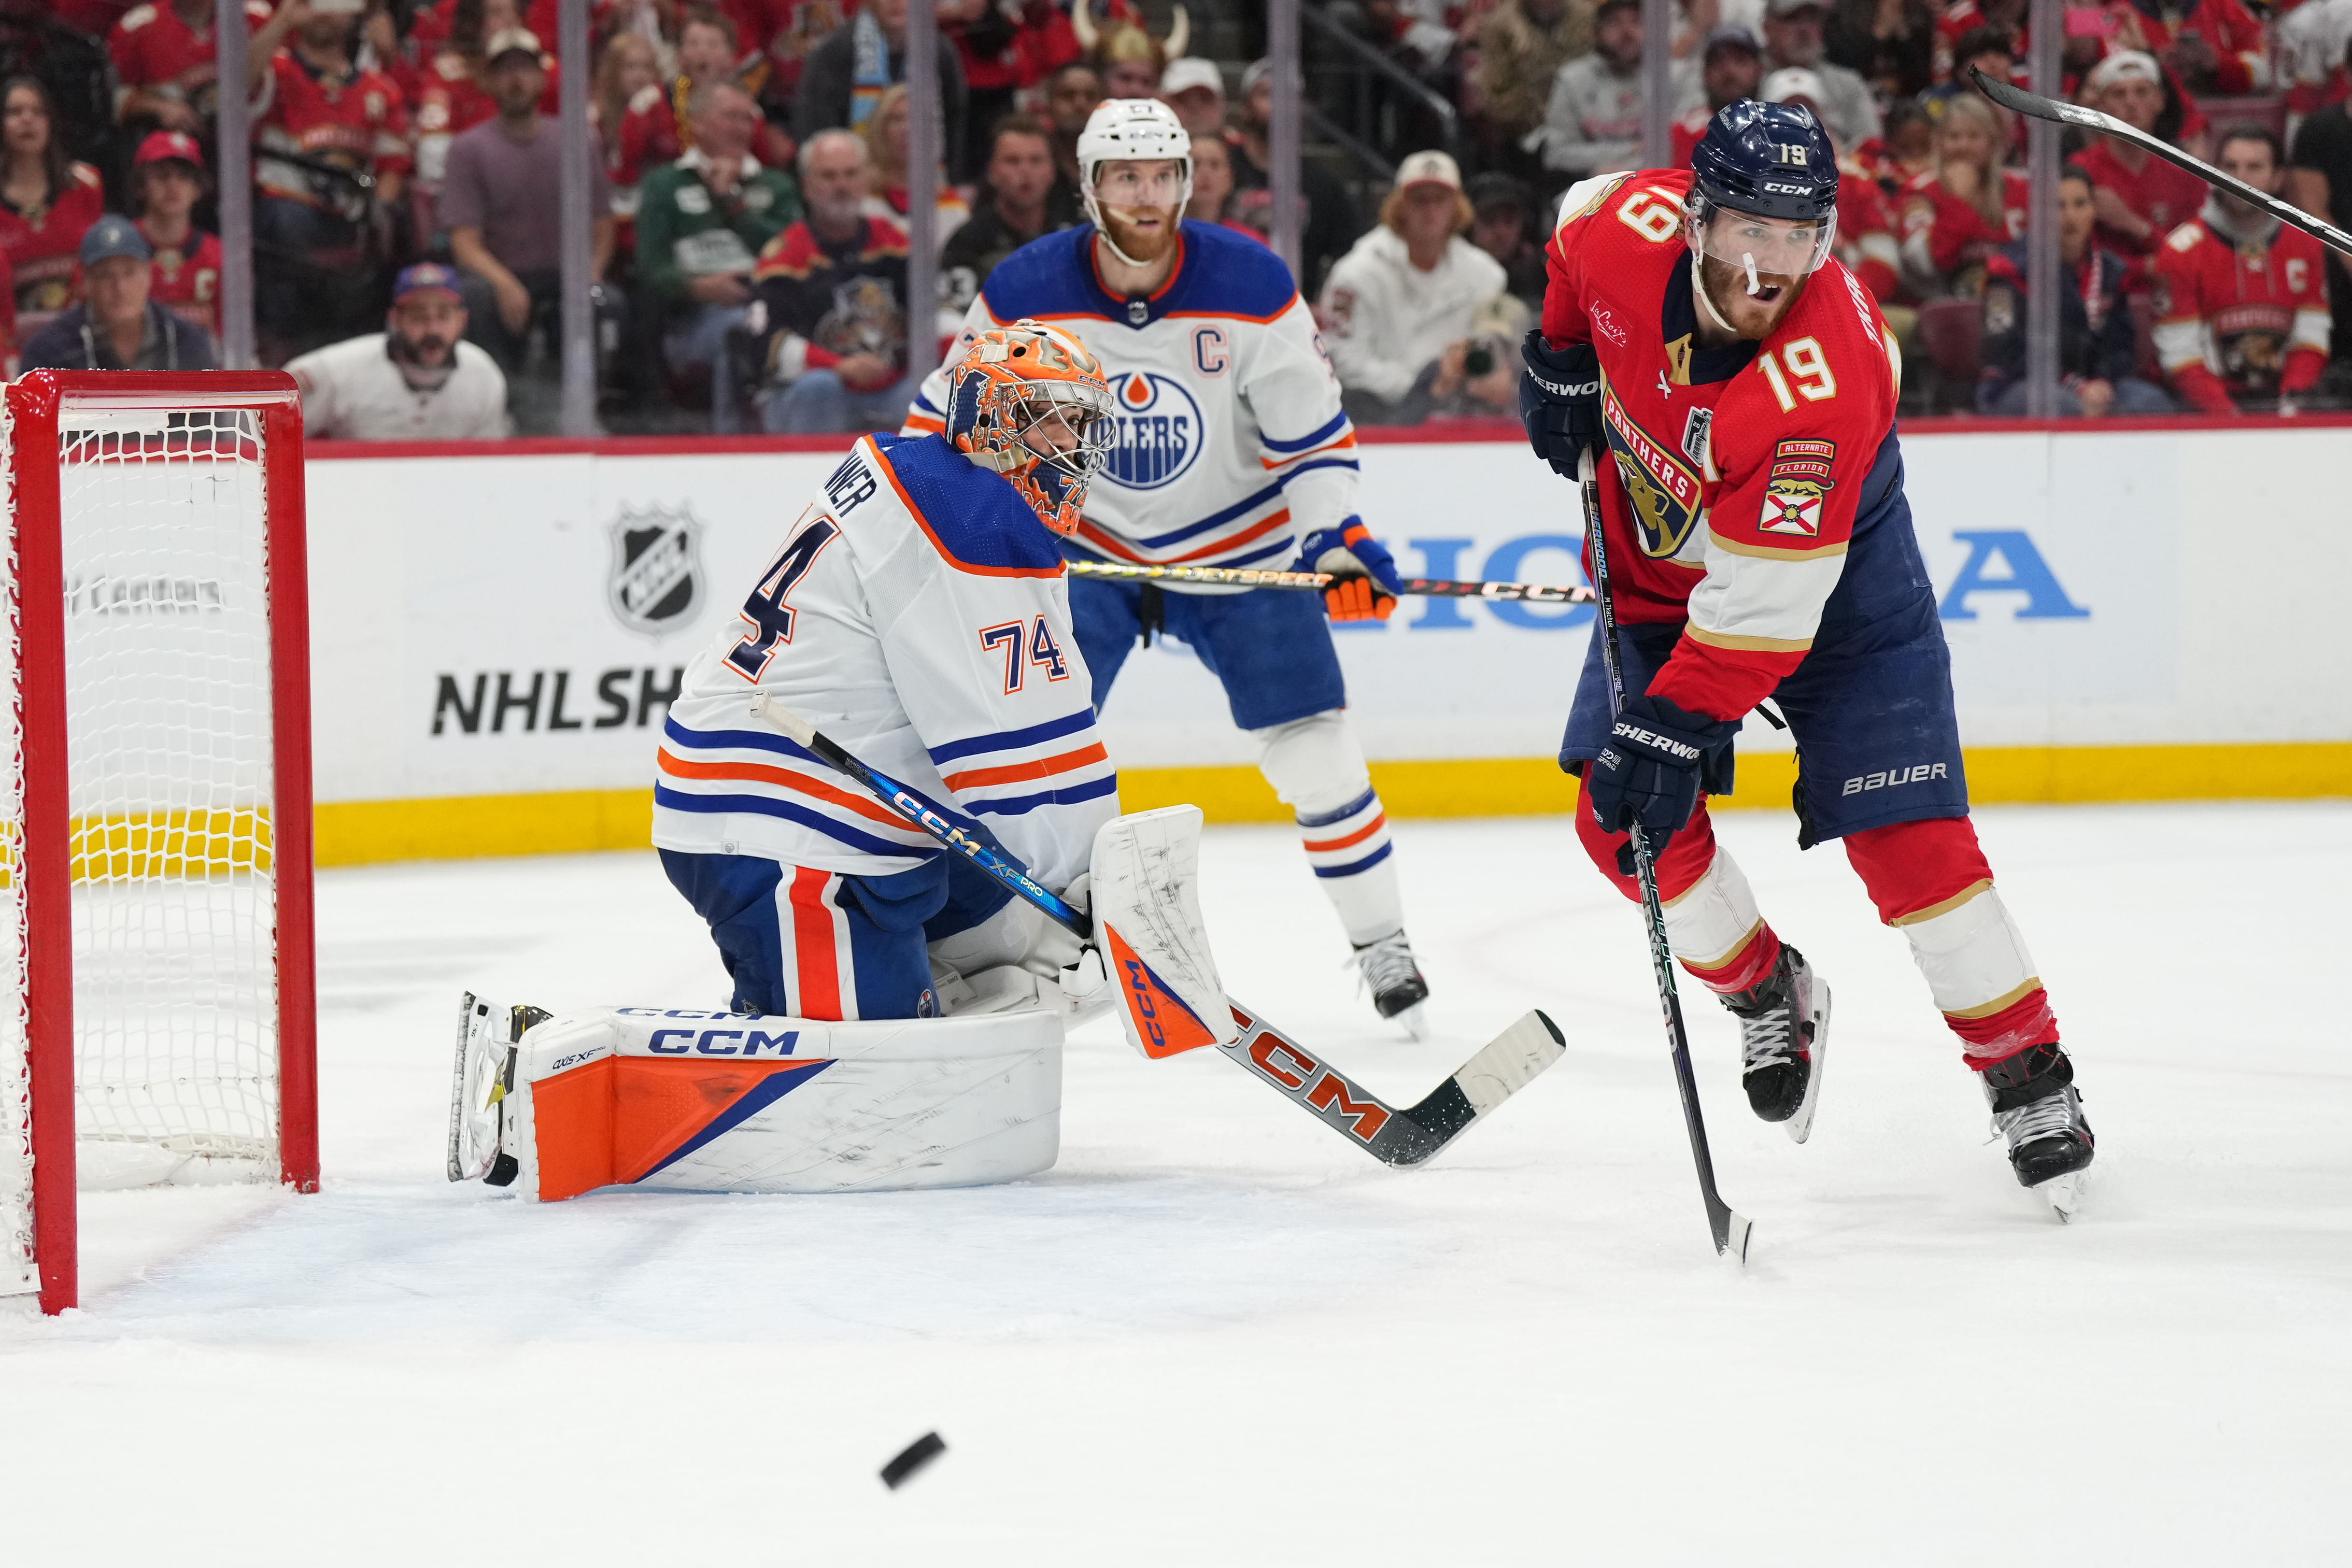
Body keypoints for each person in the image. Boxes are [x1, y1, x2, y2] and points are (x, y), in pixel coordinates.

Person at [1517, 101, 2095, 1210]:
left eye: (1799, 236)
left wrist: (1672, 722)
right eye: (1748, 230)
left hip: (1841, 604)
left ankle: (2025, 1068)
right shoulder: (1620, 228)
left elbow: (1761, 619)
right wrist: (1558, 350)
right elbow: (1573, 227)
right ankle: (1764, 988)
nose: (1770, 262)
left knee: (1909, 842)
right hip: (1664, 574)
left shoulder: (1821, 381)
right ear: (1695, 220)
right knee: (1622, 819)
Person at [904, 99, 1439, 1034]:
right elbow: (939, 430)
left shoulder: (1251, 282)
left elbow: (1312, 444)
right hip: (1087, 556)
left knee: (1318, 758)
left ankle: (1382, 944)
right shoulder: (1026, 284)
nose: (1144, 196)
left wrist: (1332, 540)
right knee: (1023, 765)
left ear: (1186, 181)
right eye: (1124, 177)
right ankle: (985, 951)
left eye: (1160, 176)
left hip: (1241, 553)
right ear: (1090, 184)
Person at [658, 318, 1119, 1021]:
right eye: (1044, 420)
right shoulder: (971, 519)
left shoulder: (924, 473)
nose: (1067, 446)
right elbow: (1021, 747)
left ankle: (895, 987)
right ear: (987, 420)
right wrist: (1105, 892)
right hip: (783, 824)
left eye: (1077, 424)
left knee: (1041, 942)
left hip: (838, 797)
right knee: (859, 1087)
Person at [442, 26, 618, 417]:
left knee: (609, 304)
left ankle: (611, 413)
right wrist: (505, 284)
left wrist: (590, 275)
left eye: (525, 69)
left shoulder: (577, 140)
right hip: (502, 274)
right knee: (477, 299)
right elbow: (465, 241)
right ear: (488, 82)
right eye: (505, 71)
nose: (516, 80)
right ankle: (497, 409)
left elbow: (603, 225)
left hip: (567, 275)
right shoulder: (468, 149)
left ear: (542, 78)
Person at [245, 0, 415, 360]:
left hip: (349, 218)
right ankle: (283, 345)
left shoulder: (378, 90)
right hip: (286, 215)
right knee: (287, 219)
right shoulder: (278, 70)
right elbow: (236, 87)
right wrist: (284, 18)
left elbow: (393, 166)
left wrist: (378, 207)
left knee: (392, 227)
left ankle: (360, 346)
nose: (323, 11)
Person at [636, 79, 803, 431]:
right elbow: (650, 267)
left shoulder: (777, 186)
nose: (742, 128)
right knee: (737, 333)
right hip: (693, 319)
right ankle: (733, 441)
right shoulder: (666, 185)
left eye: (748, 119)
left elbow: (793, 253)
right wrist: (695, 287)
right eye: (730, 117)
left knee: (765, 331)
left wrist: (733, 203)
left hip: (771, 307)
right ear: (696, 122)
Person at [1320, 150, 1515, 425]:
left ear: (1457, 207)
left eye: (1440, 200)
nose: (1430, 210)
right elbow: (1344, 360)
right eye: (1419, 200)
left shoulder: (1485, 274)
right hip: (1376, 421)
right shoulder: (1356, 273)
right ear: (1400, 206)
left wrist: (1492, 375)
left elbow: (1491, 349)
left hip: (1459, 419)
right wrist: (1423, 386)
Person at [2152, 127, 2333, 414]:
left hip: (2286, 402)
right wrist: (2231, 421)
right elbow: (2181, 356)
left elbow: (2311, 338)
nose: (2241, 178)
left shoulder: (2305, 244)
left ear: (2278, 178)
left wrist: (2291, 406)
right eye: (2231, 167)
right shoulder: (2181, 252)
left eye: (2255, 167)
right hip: (2208, 408)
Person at [747, 128, 914, 433]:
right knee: (821, 388)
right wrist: (837, 365)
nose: (842, 186)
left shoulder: (896, 243)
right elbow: (765, 342)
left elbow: (935, 313)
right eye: (829, 176)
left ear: (865, 181)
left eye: (851, 174)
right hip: (809, 389)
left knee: (932, 393)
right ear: (807, 186)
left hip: (887, 386)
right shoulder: (785, 257)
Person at [1977, 163, 2174, 415]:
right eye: (2058, 206)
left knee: (2152, 403)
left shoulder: (2111, 271)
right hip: (2014, 386)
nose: (2070, 216)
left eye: (2080, 204)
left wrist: (2103, 380)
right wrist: (2075, 386)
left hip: (2094, 385)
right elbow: (2004, 350)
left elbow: (2121, 346)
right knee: (2065, 407)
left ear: (2094, 210)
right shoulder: (2005, 270)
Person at [285, 261, 514, 439]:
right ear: (395, 319)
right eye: (418, 317)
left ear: (462, 320)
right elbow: (270, 441)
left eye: (443, 316)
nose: (432, 329)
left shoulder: (484, 375)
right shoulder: (332, 372)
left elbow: (488, 465)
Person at [1225, 58, 1363, 295]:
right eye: (1267, 94)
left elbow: (1348, 258)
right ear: (1246, 109)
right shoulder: (1222, 171)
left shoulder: (1325, 186)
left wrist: (1324, 303)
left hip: (1296, 311)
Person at [1762, 68, 1901, 302]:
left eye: (1807, 111)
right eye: (1785, 111)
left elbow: (1885, 261)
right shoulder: (1744, 177)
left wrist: (1839, 299)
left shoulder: (1855, 180)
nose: (1797, 122)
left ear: (1823, 119)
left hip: (1844, 301)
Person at [20, 215, 220, 372]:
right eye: (106, 276)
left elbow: (210, 418)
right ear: (86, 282)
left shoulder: (186, 341)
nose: (120, 288)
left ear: (149, 274)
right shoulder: (49, 352)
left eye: (130, 272)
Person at [791, 0, 969, 176]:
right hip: (852, 179)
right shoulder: (834, 51)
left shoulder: (939, 50)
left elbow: (954, 122)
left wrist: (953, 178)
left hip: (926, 179)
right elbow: (816, 126)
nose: (896, 3)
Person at [0, 76, 108, 346]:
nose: (28, 120)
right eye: (15, 112)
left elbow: (100, 266)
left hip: (80, 341)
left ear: (51, 122)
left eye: (39, 112)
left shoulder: (87, 184)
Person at [2073, 50, 2207, 260]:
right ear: (2101, 106)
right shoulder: (2081, 170)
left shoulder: (2184, 172)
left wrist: (2134, 225)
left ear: (2160, 101)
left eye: (2142, 92)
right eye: (2118, 94)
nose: (2131, 102)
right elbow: (2073, 256)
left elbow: (2194, 257)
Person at [943, 114, 1081, 312]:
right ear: (992, 172)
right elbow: (957, 320)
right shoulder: (967, 244)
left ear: (1052, 171)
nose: (1025, 171)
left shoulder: (1075, 239)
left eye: (1036, 161)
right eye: (1013, 161)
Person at [1895, 92, 2024, 295]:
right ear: (1938, 142)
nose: (1964, 146)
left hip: (2011, 296)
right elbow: (1923, 263)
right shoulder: (1920, 190)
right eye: (1954, 137)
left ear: (1992, 142)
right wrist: (1958, 200)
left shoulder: (2019, 188)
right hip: (1939, 301)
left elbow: (2033, 257)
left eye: (1974, 136)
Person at [109, 0, 276, 138]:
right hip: (171, 152)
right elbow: (117, 100)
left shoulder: (255, 17)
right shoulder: (138, 27)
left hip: (247, 144)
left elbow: (260, 82)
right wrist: (159, 107)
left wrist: (285, 21)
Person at [1540, 0, 1666, 179]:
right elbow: (1556, 154)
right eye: (1615, 23)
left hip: (1662, 183)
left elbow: (1682, 146)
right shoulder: (1573, 78)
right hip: (1590, 185)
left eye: (1636, 22)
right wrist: (1633, 150)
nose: (1627, 32)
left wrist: (1630, 169)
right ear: (1597, 32)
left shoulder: (1674, 76)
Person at [1467, 0, 1596, 176]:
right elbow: (1495, 89)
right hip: (1525, 129)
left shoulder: (1588, 17)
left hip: (1589, 120)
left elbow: (1603, 72)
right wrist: (1541, 115)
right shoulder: (1501, 25)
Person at [2288, 36, 2352, 363]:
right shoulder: (2319, 130)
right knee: (2321, 258)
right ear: (2348, 74)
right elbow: (2311, 208)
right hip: (2339, 248)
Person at [126, 129, 223, 337]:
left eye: (184, 177)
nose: (173, 185)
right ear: (141, 187)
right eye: (162, 176)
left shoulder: (220, 255)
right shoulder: (117, 250)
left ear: (198, 188)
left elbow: (230, 336)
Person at [858, 82, 971, 250]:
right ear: (879, 128)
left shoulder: (953, 208)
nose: (908, 129)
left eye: (917, 119)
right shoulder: (858, 202)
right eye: (897, 119)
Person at [1761, 0, 1880, 153]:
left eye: (1812, 18)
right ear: (1768, 28)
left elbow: (1871, 146)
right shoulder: (1750, 77)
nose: (1805, 29)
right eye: (1792, 19)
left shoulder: (1849, 84)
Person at [1670, 24, 1765, 167]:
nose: (1729, 71)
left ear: (1759, 71)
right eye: (1719, 62)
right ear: (1705, 73)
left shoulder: (1774, 128)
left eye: (1741, 60)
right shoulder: (1685, 132)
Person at [1468, 170, 1550, 310]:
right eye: (1489, 220)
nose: (1501, 232)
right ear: (1468, 225)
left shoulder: (1542, 275)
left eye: (1510, 221)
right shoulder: (1449, 272)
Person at [1044, 59, 1102, 188]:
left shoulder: (1118, 163)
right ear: (1050, 103)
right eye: (1068, 95)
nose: (1080, 105)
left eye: (1091, 96)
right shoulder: (1034, 159)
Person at [1156, 55, 1225, 137]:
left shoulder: (1238, 147)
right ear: (1162, 104)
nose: (1194, 108)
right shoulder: (1145, 147)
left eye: (1205, 98)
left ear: (1221, 105)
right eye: (1182, 99)